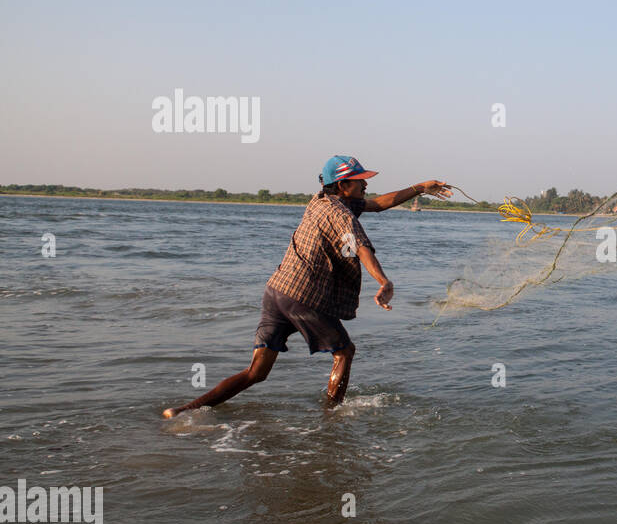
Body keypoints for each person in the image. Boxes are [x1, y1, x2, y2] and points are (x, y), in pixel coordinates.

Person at [163, 156, 451, 417]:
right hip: (302, 297)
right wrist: (384, 281)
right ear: (342, 185)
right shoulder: (341, 215)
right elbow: (361, 248)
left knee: (256, 373)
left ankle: (183, 411)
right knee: (344, 352)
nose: (365, 184)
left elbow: (378, 204)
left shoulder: (320, 201)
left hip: (276, 292)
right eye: (360, 180)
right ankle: (332, 418)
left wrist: (420, 188)